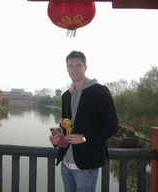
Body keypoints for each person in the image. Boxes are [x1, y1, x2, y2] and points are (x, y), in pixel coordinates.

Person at [49, 51, 119, 192]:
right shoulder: (66, 96)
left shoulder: (99, 91)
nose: (74, 69)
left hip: (86, 164)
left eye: (78, 65)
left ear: (85, 67)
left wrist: (84, 138)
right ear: (67, 68)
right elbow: (65, 124)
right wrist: (57, 139)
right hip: (65, 163)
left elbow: (112, 126)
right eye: (71, 66)